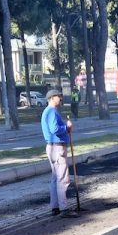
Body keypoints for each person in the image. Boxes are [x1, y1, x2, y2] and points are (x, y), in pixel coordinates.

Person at [41, 90, 78, 218]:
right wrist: (67, 128)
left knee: (55, 178)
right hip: (57, 147)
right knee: (62, 178)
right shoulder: (51, 111)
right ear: (52, 98)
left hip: (52, 147)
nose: (61, 98)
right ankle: (63, 208)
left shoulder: (49, 111)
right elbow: (55, 129)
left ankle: (55, 207)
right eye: (59, 96)